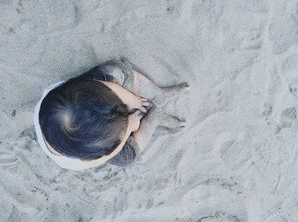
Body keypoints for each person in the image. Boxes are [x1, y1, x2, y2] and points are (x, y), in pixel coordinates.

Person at [33, 57, 189, 171]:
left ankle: (157, 95)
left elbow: (102, 86)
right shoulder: (78, 162)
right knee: (128, 157)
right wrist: (129, 127)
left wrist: (132, 100)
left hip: (86, 94)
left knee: (115, 72)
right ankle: (153, 118)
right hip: (91, 107)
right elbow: (112, 152)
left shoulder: (69, 96)